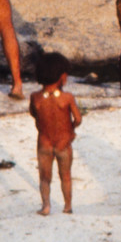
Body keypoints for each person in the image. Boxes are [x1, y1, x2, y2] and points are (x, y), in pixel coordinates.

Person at [28, 52, 83, 215]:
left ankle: (46, 206)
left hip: (44, 143)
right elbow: (78, 118)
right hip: (63, 144)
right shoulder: (67, 98)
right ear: (62, 76)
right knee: (65, 175)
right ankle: (67, 206)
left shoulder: (35, 97)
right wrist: (70, 129)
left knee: (44, 177)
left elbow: (33, 113)